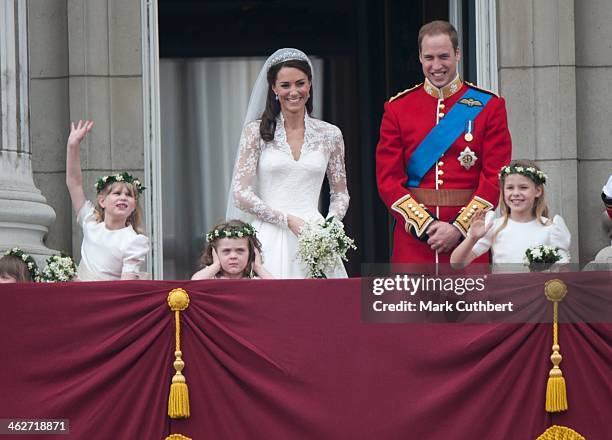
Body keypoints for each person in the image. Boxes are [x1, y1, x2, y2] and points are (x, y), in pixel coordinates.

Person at [376, 20, 512, 264]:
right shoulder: (397, 108)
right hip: (415, 242)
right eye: (429, 57)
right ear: (419, 57)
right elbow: (388, 180)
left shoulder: (489, 106)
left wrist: (459, 228)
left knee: (471, 303)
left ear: (457, 54)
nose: (436, 66)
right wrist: (426, 226)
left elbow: (495, 177)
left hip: (470, 242)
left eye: (444, 56)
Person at [228, 48, 350, 278]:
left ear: (310, 85)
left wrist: (328, 227)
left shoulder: (330, 134)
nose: (293, 92)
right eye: (285, 85)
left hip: (315, 236)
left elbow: (340, 194)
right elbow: (240, 193)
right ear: (274, 88)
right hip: (268, 235)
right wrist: (286, 220)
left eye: (300, 83)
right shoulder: (255, 132)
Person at [66, 120, 150, 280]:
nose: (123, 197)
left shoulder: (134, 241)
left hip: (107, 299)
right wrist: (73, 145)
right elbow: (74, 183)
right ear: (102, 201)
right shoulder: (90, 222)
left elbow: (126, 286)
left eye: (129, 195)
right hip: (79, 295)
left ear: (133, 207)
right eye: (117, 193)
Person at [450, 160, 571, 269]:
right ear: (503, 191)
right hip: (503, 292)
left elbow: (563, 273)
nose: (516, 193)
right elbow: (456, 264)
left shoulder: (551, 228)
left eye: (523, 187)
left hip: (538, 292)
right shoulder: (494, 227)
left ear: (538, 191)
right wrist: (472, 238)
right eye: (510, 188)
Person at [191, 220, 273, 279]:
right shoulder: (210, 278)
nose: (233, 256)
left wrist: (258, 268)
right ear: (215, 253)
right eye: (226, 251)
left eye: (240, 250)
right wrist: (215, 266)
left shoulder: (255, 280)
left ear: (251, 253)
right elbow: (194, 284)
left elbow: (278, 289)